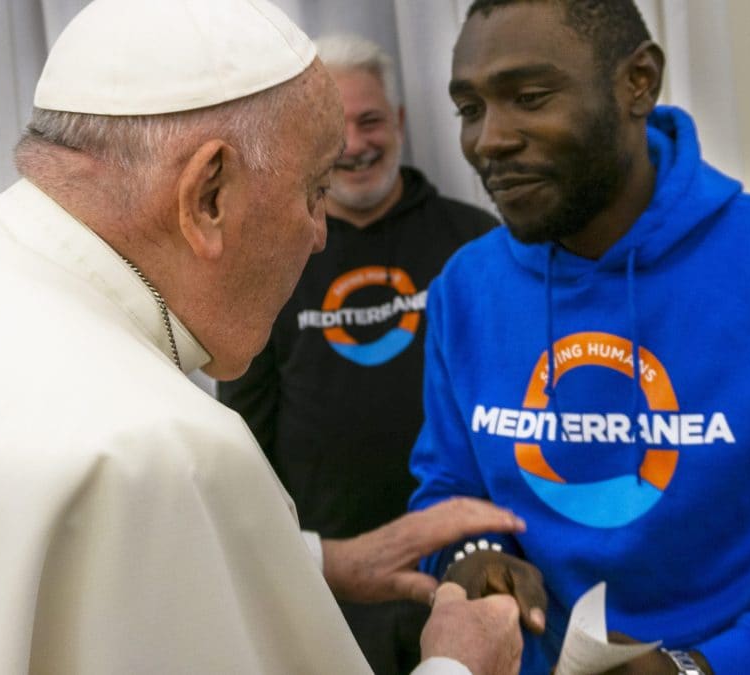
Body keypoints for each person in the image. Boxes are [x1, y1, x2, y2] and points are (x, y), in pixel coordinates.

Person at [0, 1, 530, 673]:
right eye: (312, 190)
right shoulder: (171, 447)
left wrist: (323, 561)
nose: (320, 236)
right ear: (209, 193)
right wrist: (460, 664)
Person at [407, 0, 750, 673]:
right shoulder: (467, 287)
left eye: (529, 97)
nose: (490, 139)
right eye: (470, 108)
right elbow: (447, 485)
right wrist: (471, 555)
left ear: (639, 81)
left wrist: (701, 667)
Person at [218, 33, 497, 675]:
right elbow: (245, 434)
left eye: (370, 120)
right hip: (327, 587)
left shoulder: (478, 244)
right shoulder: (269, 262)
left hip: (469, 572)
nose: (355, 145)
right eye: (334, 130)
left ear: (399, 121)